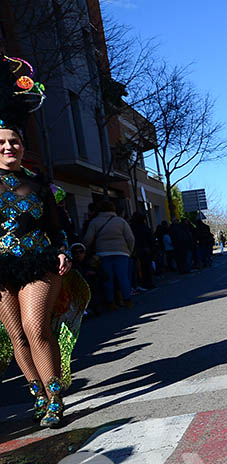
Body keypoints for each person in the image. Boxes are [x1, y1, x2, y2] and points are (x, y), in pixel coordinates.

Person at [0, 56, 73, 427]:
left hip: (39, 262)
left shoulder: (38, 184)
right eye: (1, 143)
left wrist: (62, 250)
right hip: (1, 270)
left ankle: (57, 398)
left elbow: (56, 226)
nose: (8, 148)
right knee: (17, 335)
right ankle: (39, 397)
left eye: (14, 142)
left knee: (34, 327)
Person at [83, 198, 135, 310]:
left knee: (108, 278)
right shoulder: (121, 221)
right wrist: (129, 251)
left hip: (103, 253)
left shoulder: (95, 222)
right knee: (123, 277)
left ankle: (110, 302)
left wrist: (86, 251)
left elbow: (88, 239)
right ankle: (127, 300)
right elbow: (130, 238)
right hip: (121, 252)